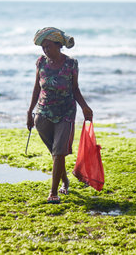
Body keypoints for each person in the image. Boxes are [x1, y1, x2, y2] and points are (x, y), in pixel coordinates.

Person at [27, 27, 93, 204]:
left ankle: (53, 192)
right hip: (43, 113)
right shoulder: (40, 62)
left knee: (58, 153)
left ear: (58, 45)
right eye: (43, 47)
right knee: (56, 153)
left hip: (66, 113)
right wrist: (29, 112)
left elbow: (75, 89)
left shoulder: (71, 64)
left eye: (48, 46)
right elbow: (36, 88)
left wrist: (85, 107)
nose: (45, 50)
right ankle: (64, 180)